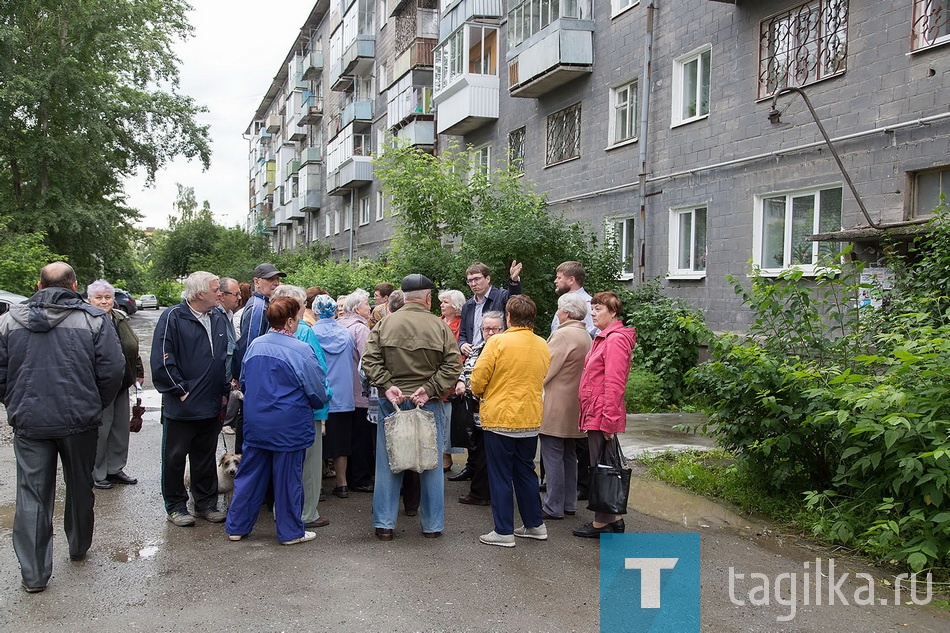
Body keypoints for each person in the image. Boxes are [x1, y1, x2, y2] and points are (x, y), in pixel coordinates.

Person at [0, 262, 124, 593]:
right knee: (80, 484)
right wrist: (94, 403)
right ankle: (78, 545)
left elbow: (1, 372)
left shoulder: (9, 320)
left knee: (31, 493)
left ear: (38, 286)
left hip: (30, 422)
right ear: (74, 286)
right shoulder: (93, 320)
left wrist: (14, 401)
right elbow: (112, 371)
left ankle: (34, 575)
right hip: (79, 421)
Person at [362, 274, 462, 541]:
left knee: (388, 461)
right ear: (428, 298)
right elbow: (453, 366)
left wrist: (387, 385)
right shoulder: (440, 327)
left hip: (391, 401)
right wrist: (429, 388)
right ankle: (432, 526)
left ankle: (384, 525)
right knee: (430, 462)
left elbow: (369, 361)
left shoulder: (384, 324)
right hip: (427, 402)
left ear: (404, 297)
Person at [225, 296, 328, 545]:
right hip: (289, 424)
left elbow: (245, 381)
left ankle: (236, 526)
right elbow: (317, 391)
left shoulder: (256, 345)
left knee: (250, 474)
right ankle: (291, 532)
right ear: (291, 321)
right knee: (288, 479)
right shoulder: (301, 350)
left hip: (256, 421)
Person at [151, 271, 230, 527]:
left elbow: (225, 356)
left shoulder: (218, 316)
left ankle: (205, 503)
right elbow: (162, 359)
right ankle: (175, 506)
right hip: (182, 406)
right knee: (175, 458)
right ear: (199, 294)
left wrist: (224, 391)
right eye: (216, 289)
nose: (221, 293)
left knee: (205, 457)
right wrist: (180, 390)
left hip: (211, 403)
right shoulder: (173, 317)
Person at [471, 295, 550, 547]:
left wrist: (481, 392)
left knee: (500, 475)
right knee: (526, 471)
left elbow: (478, 379)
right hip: (530, 416)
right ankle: (534, 524)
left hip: (501, 417)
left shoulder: (497, 342)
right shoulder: (541, 344)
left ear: (508, 317)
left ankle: (503, 530)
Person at [573, 291, 637, 538]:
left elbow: (614, 384)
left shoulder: (615, 340)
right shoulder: (603, 337)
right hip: (596, 411)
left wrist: (610, 421)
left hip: (602, 413)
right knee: (604, 466)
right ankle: (614, 518)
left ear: (613, 312)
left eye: (598, 309)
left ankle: (602, 523)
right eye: (593, 308)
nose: (593, 313)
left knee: (600, 468)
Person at [273, 285, 332, 528]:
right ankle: (307, 513)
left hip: (279, 409)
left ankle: (283, 510)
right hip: (307, 408)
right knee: (308, 465)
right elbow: (317, 373)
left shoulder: (269, 334)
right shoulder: (305, 332)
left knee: (284, 465)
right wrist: (325, 399)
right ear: (298, 308)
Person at [87, 279, 145, 489]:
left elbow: (132, 347)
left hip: (122, 381)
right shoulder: (86, 320)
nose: (104, 301)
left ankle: (115, 469)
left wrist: (138, 372)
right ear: (89, 299)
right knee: (101, 431)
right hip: (99, 385)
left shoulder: (119, 317)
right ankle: (97, 473)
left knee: (120, 428)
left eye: (108, 297)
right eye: (99, 297)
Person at [539, 293, 592, 519]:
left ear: (567, 313)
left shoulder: (562, 335)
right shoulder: (586, 335)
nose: (557, 313)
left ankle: (553, 506)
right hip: (576, 403)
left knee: (552, 454)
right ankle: (569, 503)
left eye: (559, 310)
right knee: (570, 455)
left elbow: (546, 368)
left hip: (556, 404)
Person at [452, 311, 504, 506]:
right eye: (486, 328)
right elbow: (466, 369)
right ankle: (480, 490)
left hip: (493, 409)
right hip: (473, 410)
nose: (490, 332)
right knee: (477, 449)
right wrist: (460, 381)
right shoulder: (478, 347)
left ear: (502, 329)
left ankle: (481, 494)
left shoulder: (503, 348)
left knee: (486, 453)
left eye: (494, 328)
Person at [232, 263, 286, 451]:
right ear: (256, 281)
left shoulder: (263, 304)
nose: (276, 283)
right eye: (271, 279)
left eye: (277, 279)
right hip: (254, 380)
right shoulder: (258, 307)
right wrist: (248, 381)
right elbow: (250, 347)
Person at [310, 294, 356, 498]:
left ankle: (318, 487)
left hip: (320, 396)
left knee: (317, 444)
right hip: (344, 396)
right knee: (341, 444)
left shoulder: (311, 333)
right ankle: (342, 484)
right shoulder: (346, 334)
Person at [338, 289, 375, 492]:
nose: (369, 307)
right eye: (366, 304)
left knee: (349, 436)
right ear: (356, 308)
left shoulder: (341, 324)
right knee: (361, 437)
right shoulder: (360, 329)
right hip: (360, 390)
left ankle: (350, 476)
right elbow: (368, 360)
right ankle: (360, 479)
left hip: (344, 390)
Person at [458, 261, 523, 357]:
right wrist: (462, 344)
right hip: (474, 357)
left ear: (487, 279)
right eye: (470, 281)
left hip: (498, 355)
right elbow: (462, 334)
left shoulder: (501, 296)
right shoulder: (467, 306)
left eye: (477, 279)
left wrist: (514, 281)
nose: (473, 284)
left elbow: (515, 300)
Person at [438, 289, 466, 471]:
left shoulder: (460, 325)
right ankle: (440, 454)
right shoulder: (438, 322)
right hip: (435, 375)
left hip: (451, 375)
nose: (442, 305)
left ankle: (446, 456)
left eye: (446, 302)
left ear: (456, 306)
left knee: (449, 420)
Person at [550, 261, 598, 338]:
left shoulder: (587, 304)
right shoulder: (565, 302)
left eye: (559, 278)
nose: (555, 281)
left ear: (571, 280)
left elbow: (592, 337)